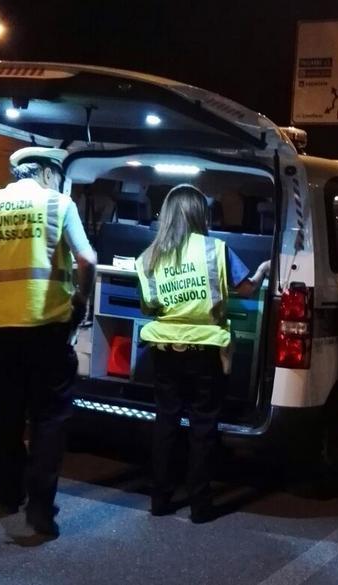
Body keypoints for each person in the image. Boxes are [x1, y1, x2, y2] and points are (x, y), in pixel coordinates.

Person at [0, 147, 96, 538]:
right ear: (48, 171)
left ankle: (9, 494)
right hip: (47, 328)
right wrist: (79, 303)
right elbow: (87, 261)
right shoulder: (58, 204)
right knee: (49, 418)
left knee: (3, 416)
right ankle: (41, 509)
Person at [135, 185, 269, 523]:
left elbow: (148, 305)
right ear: (200, 214)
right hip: (206, 351)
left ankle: (160, 499)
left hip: (163, 349)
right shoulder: (215, 249)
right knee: (202, 427)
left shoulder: (148, 256)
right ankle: (200, 505)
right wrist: (264, 270)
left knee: (166, 422)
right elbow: (245, 288)